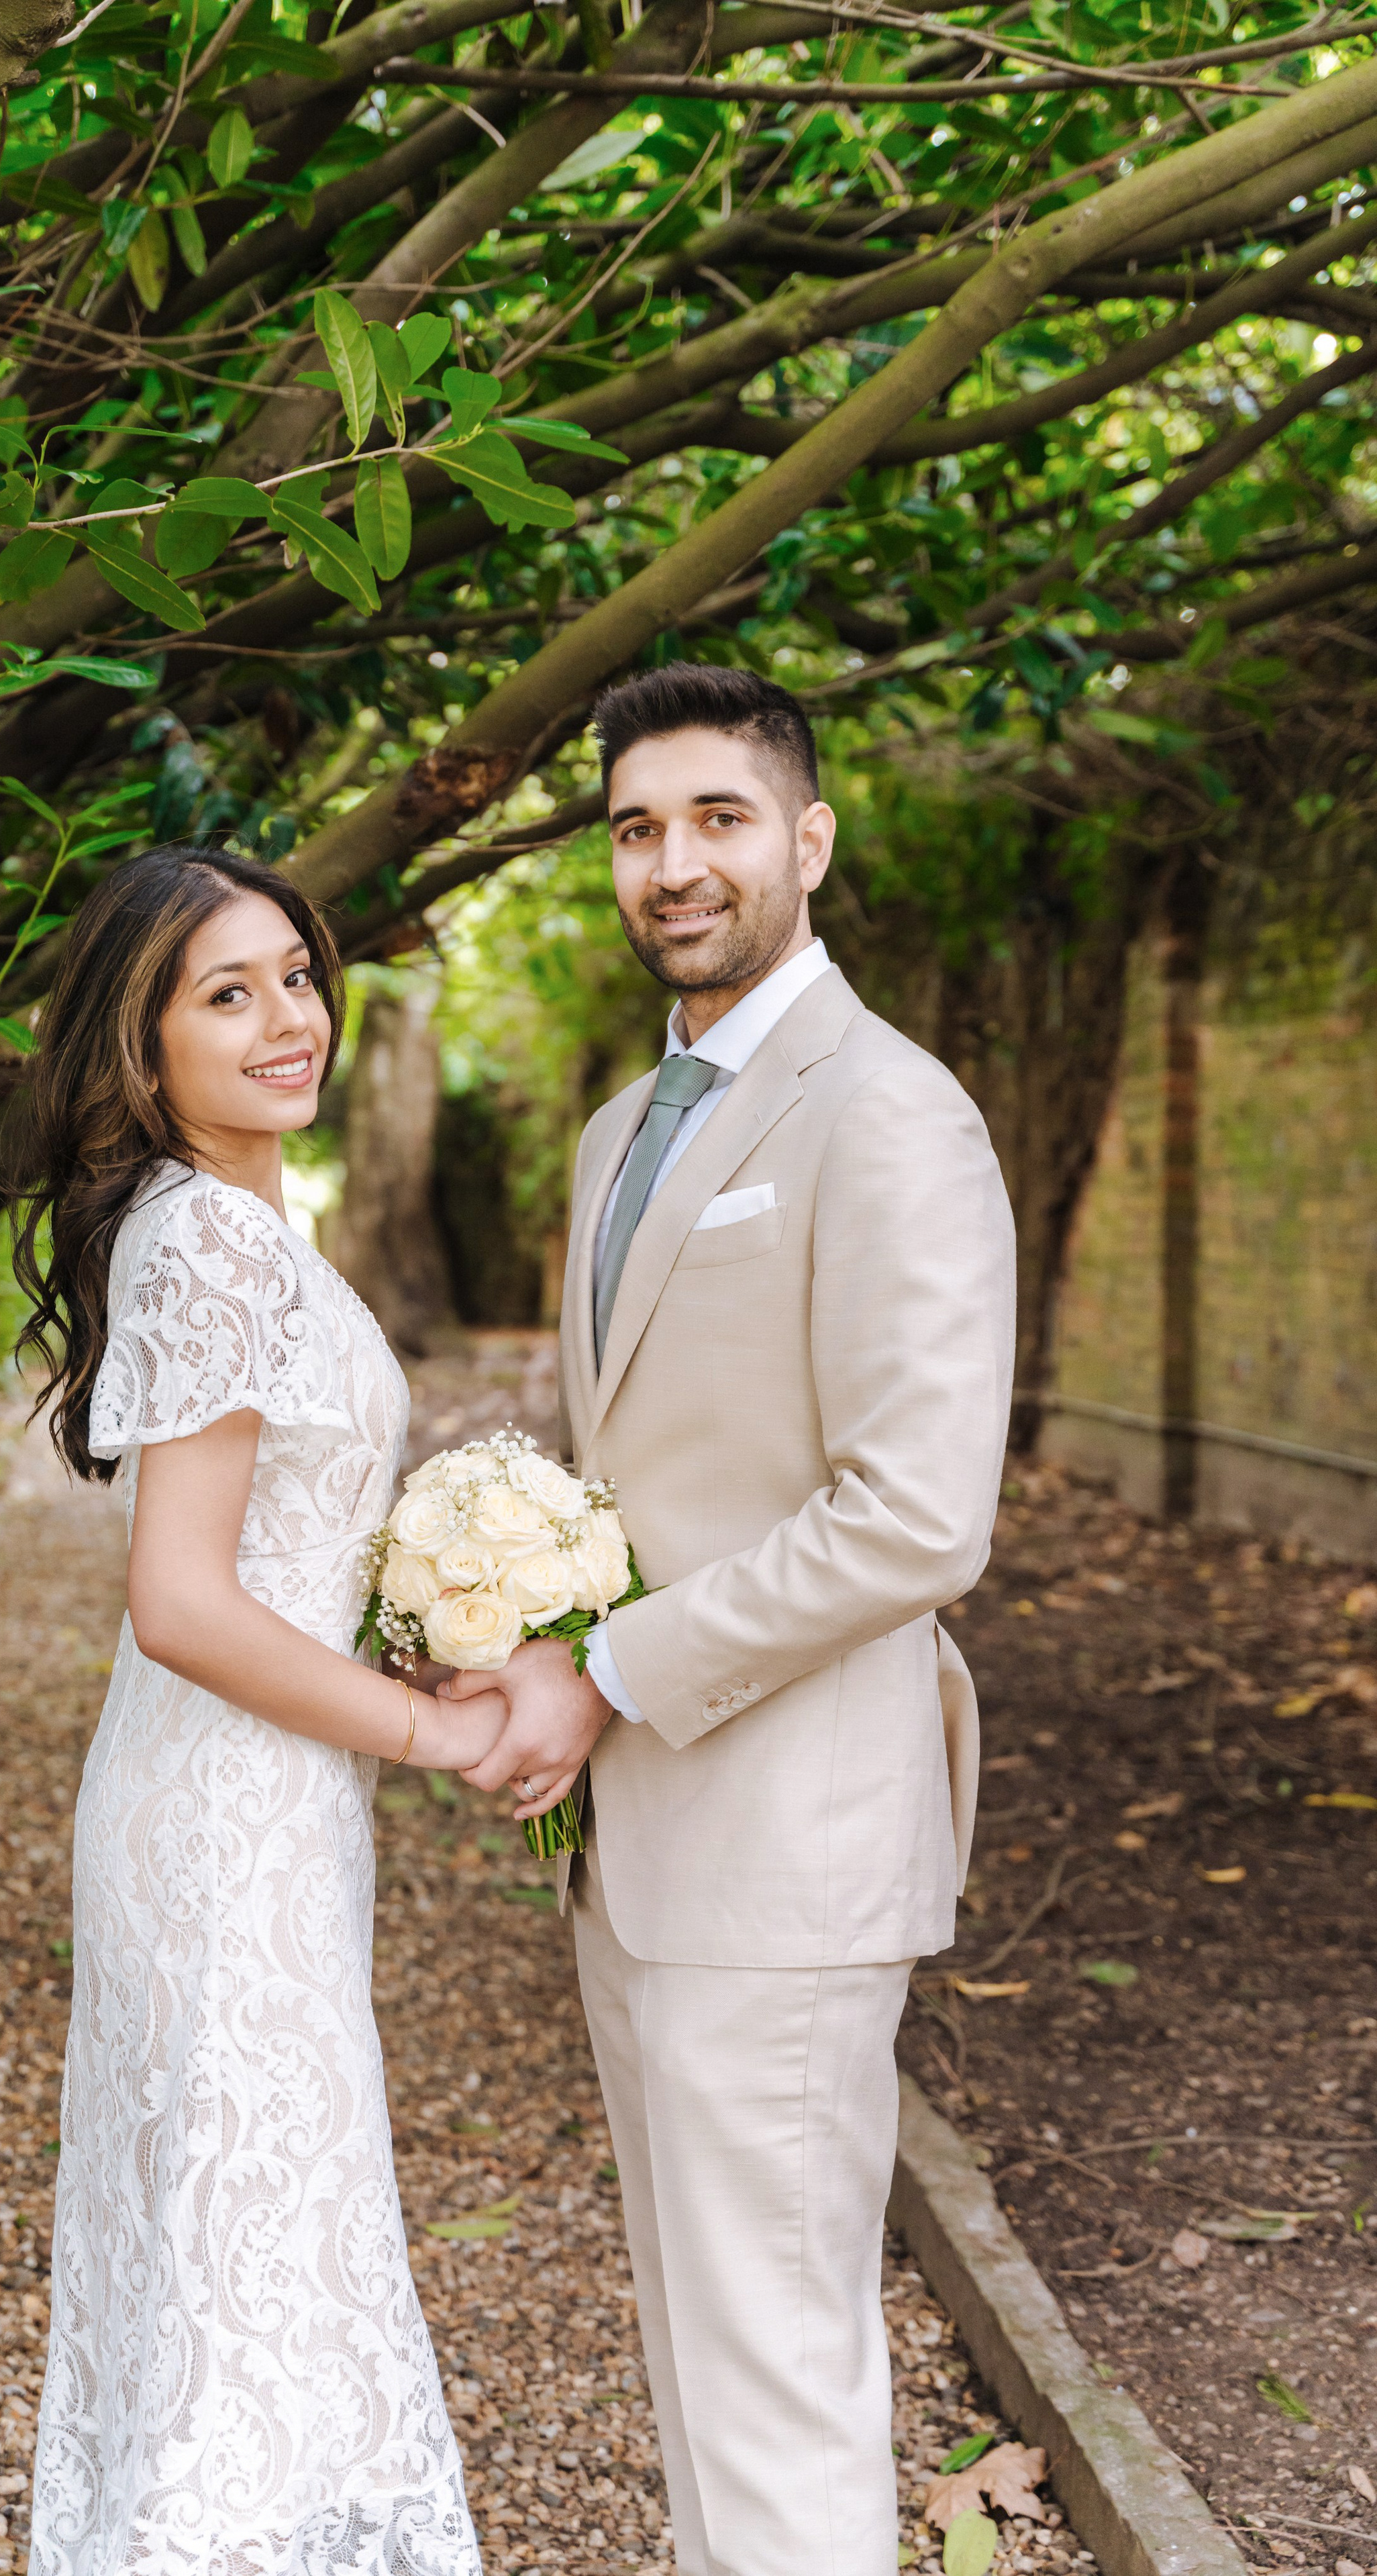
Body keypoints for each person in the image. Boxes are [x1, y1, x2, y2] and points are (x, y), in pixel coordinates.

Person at [446, 666, 1016, 2576]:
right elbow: (649, 1465)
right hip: (646, 1853)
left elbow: (916, 1517)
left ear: (808, 840)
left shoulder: (890, 1115)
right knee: (709, 2363)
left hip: (786, 1842)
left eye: (717, 820)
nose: (673, 865)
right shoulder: (625, 1134)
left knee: (774, 2378)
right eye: (634, 829)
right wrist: (497, 1603)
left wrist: (603, 1666)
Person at [9, 843, 491, 2576]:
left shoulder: (235, 1222)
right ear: (144, 1054)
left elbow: (280, 1555)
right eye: (229, 993)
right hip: (226, 1825)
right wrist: (428, 1730)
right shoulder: (207, 1242)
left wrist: (437, 1639)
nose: (288, 1017)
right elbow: (185, 1598)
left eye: (296, 973)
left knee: (253, 2259)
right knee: (248, 2267)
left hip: (256, 1803)